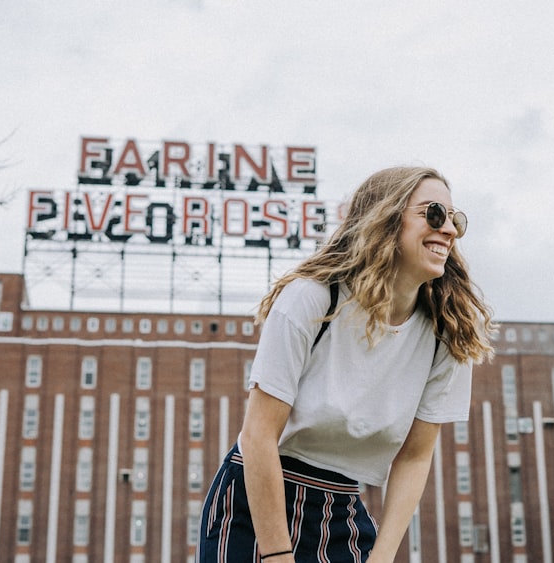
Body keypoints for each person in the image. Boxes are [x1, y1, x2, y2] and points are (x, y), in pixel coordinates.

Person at [198, 166, 495, 563]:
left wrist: (383, 556)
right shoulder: (312, 299)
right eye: (434, 213)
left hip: (342, 508)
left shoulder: (449, 331)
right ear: (386, 218)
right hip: (256, 501)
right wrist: (277, 556)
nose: (450, 230)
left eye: (455, 220)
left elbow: (415, 456)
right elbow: (258, 436)